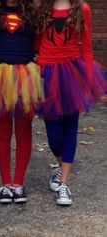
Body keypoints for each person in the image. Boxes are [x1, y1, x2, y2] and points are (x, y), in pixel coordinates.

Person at [36, 0, 107, 205]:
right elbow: (38, 42)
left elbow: (86, 46)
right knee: (53, 133)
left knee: (70, 127)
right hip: (48, 74)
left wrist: (89, 80)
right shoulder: (44, 9)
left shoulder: (82, 9)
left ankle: (64, 184)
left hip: (71, 74)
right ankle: (61, 165)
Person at [0, 0, 43, 204]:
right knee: (1, 131)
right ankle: (5, 184)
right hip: (0, 76)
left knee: (23, 130)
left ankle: (18, 183)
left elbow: (39, 43)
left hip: (26, 77)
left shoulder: (33, 14)